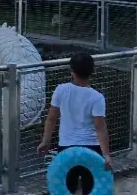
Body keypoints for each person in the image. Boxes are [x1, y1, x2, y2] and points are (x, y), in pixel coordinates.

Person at [37, 52, 112, 194]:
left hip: (66, 149)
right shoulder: (97, 98)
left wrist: (45, 141)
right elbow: (100, 129)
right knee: (91, 188)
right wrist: (106, 155)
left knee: (67, 187)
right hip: (91, 149)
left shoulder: (61, 90)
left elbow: (51, 119)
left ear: (71, 71)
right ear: (93, 71)